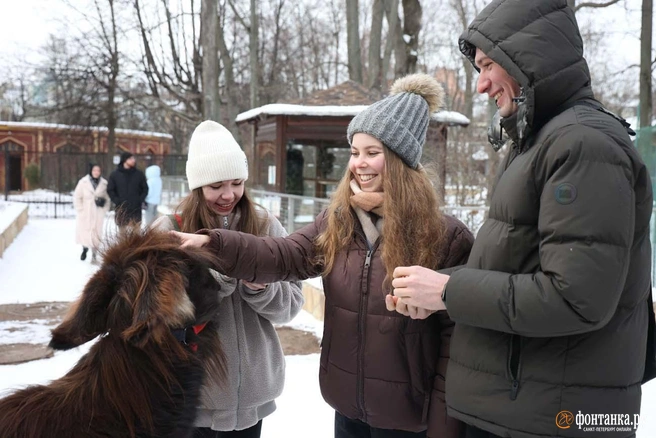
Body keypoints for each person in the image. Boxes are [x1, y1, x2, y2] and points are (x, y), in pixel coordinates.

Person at [386, 1, 655, 437]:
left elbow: (576, 299)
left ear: (533, 58)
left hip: (554, 418)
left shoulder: (584, 145)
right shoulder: (542, 142)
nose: (481, 85)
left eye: (490, 64)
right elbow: (523, 268)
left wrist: (450, 290)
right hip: (525, 408)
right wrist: (435, 288)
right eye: (477, 68)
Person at [174, 74, 474, 438]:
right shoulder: (338, 223)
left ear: (399, 159)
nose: (358, 164)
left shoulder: (445, 236)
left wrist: (445, 430)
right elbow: (285, 254)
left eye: (372, 153)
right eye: (354, 152)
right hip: (348, 409)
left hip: (409, 419)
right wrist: (216, 245)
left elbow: (457, 348)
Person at [152, 120, 304, 438]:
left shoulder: (265, 225)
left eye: (237, 182)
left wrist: (260, 286)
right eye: (216, 185)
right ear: (197, 186)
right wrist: (211, 284)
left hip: (254, 396)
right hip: (192, 398)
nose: (229, 194)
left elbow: (291, 306)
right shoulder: (168, 230)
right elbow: (152, 313)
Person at [73, 163, 110, 264]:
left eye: (98, 170)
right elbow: (77, 196)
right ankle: (85, 249)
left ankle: (94, 255)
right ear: (91, 171)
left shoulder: (104, 183)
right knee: (85, 232)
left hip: (98, 212)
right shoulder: (83, 182)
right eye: (94, 170)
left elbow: (107, 198)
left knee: (97, 234)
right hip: (86, 212)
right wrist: (80, 209)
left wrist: (104, 208)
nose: (96, 172)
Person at [107, 151, 148, 229]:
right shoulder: (115, 175)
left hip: (135, 209)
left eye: (133, 158)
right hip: (122, 209)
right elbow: (110, 190)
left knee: (136, 236)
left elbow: (145, 189)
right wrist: (117, 201)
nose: (133, 160)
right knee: (122, 236)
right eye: (130, 158)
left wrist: (139, 200)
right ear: (124, 160)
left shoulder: (138, 174)